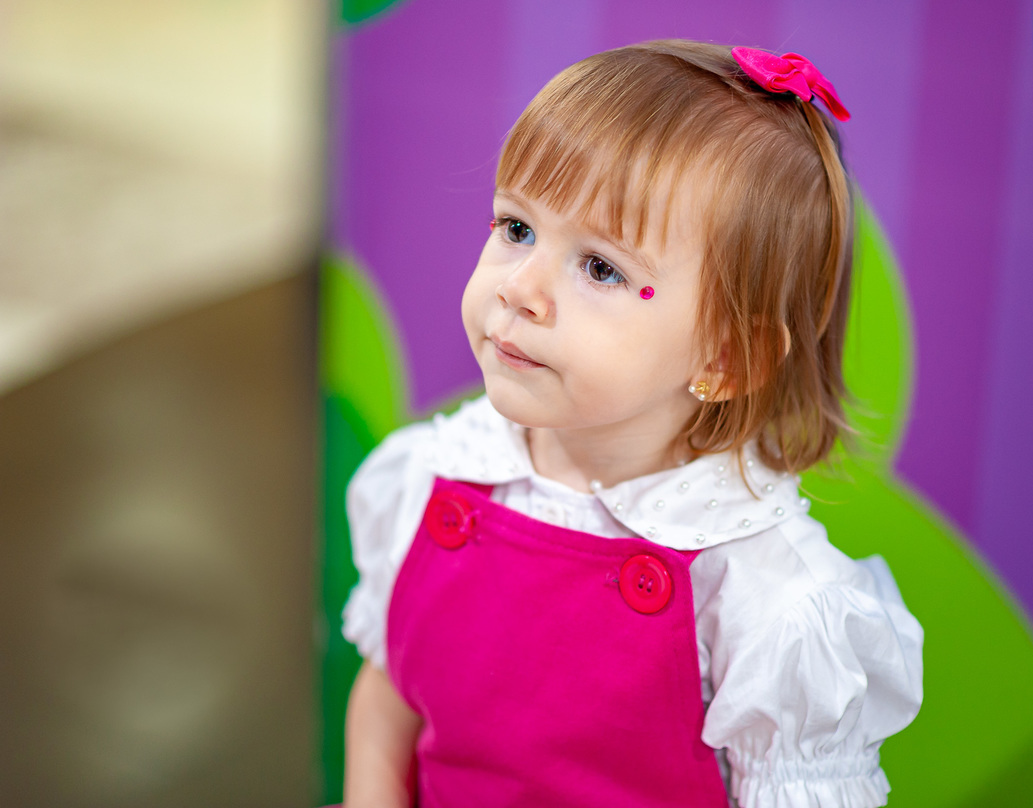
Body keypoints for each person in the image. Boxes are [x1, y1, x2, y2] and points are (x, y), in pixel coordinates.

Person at [340, 40, 923, 808]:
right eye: (516, 228)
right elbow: (388, 701)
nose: (520, 288)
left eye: (601, 268)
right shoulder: (432, 478)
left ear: (727, 359)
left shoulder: (762, 595)